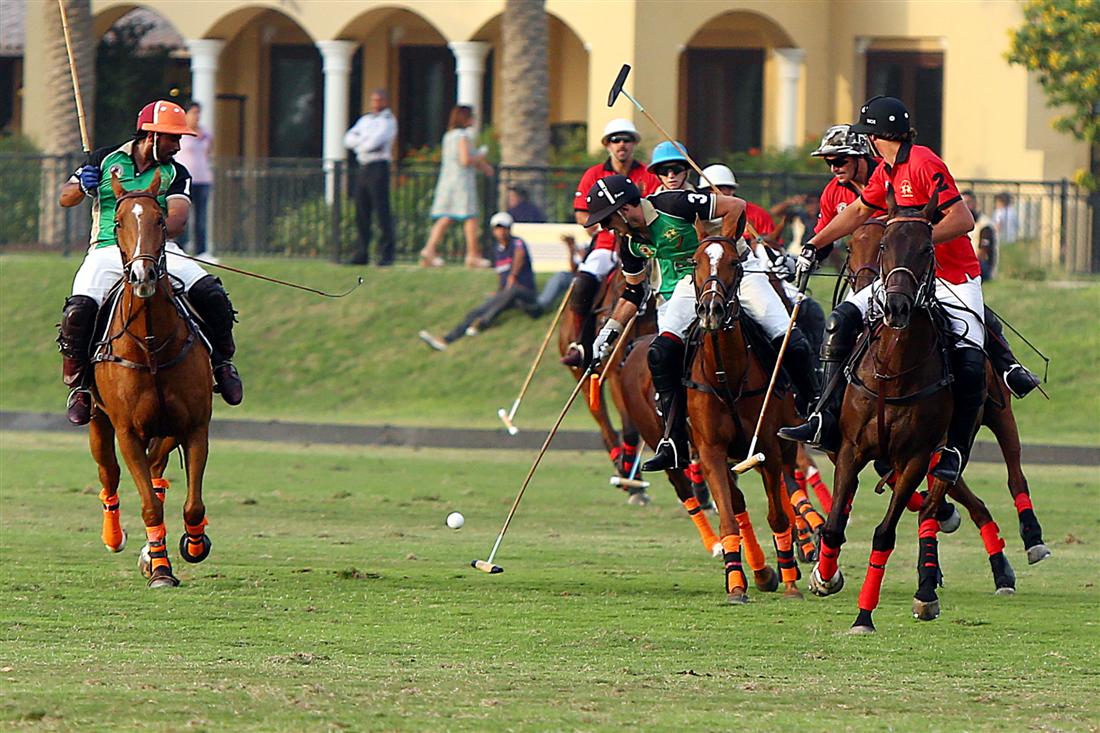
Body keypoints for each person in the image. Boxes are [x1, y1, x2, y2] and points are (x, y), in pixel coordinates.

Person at [778, 96, 989, 482]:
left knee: (972, 361)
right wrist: (814, 245)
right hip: (903, 278)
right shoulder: (886, 172)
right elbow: (858, 211)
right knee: (841, 320)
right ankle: (824, 417)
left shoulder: (924, 163)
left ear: (877, 136)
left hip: (953, 277)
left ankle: (955, 451)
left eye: (868, 135)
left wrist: (917, 241)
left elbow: (963, 219)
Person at [581, 175, 821, 472]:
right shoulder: (629, 243)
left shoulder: (672, 203)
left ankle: (816, 413)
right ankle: (674, 441)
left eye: (607, 218)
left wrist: (725, 248)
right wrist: (608, 333)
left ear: (624, 209)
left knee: (788, 338)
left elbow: (735, 206)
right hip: (691, 283)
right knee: (660, 352)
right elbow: (633, 291)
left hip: (738, 271)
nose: (604, 227)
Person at [57, 100, 243, 426]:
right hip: (106, 250)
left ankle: (222, 362)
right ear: (150, 135)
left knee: (212, 292)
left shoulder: (176, 172)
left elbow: (178, 220)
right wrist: (83, 184)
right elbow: (65, 198)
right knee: (79, 309)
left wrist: (147, 240)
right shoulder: (103, 159)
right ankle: (80, 384)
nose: (177, 145)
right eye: (171, 138)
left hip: (160, 248)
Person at [560, 118, 660, 367]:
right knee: (583, 283)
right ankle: (581, 343)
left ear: (634, 143)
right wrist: (599, 225)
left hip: (642, 244)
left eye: (626, 139)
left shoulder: (648, 174)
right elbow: (582, 214)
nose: (621, 145)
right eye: (616, 140)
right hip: (606, 243)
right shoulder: (594, 174)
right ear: (608, 145)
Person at [418, 212, 539, 350]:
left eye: (503, 227)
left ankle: (483, 322)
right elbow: (501, 276)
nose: (500, 231)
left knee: (512, 291)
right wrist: (499, 290)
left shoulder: (517, 243)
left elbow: (519, 255)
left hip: (525, 292)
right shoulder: (497, 250)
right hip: (508, 294)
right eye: (497, 228)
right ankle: (447, 339)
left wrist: (513, 275)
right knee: (477, 311)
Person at [420, 105, 494, 269]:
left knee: (446, 216)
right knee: (471, 217)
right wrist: (480, 156)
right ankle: (473, 254)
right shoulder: (462, 136)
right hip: (461, 183)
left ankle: (429, 250)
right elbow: (465, 160)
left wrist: (484, 166)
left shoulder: (448, 136)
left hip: (448, 181)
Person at [343, 89, 398, 266]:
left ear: (385, 101)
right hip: (364, 167)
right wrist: (362, 144)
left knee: (382, 211)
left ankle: (386, 254)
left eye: (379, 100)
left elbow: (376, 141)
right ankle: (361, 253)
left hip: (378, 167)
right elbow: (348, 138)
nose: (376, 103)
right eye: (373, 100)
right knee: (361, 211)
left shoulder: (388, 121)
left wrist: (361, 142)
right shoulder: (365, 120)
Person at [175, 101, 213, 259]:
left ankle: (201, 250)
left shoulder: (205, 134)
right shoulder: (181, 134)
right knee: (183, 215)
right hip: (185, 179)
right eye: (193, 113)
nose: (196, 117)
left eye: (198, 113)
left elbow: (208, 152)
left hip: (203, 179)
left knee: (201, 217)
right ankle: (181, 249)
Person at [963, 190, 997, 280]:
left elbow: (982, 253)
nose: (965, 206)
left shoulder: (985, 224)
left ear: (975, 204)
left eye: (968, 203)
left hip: (981, 265)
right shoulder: (960, 224)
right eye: (962, 203)